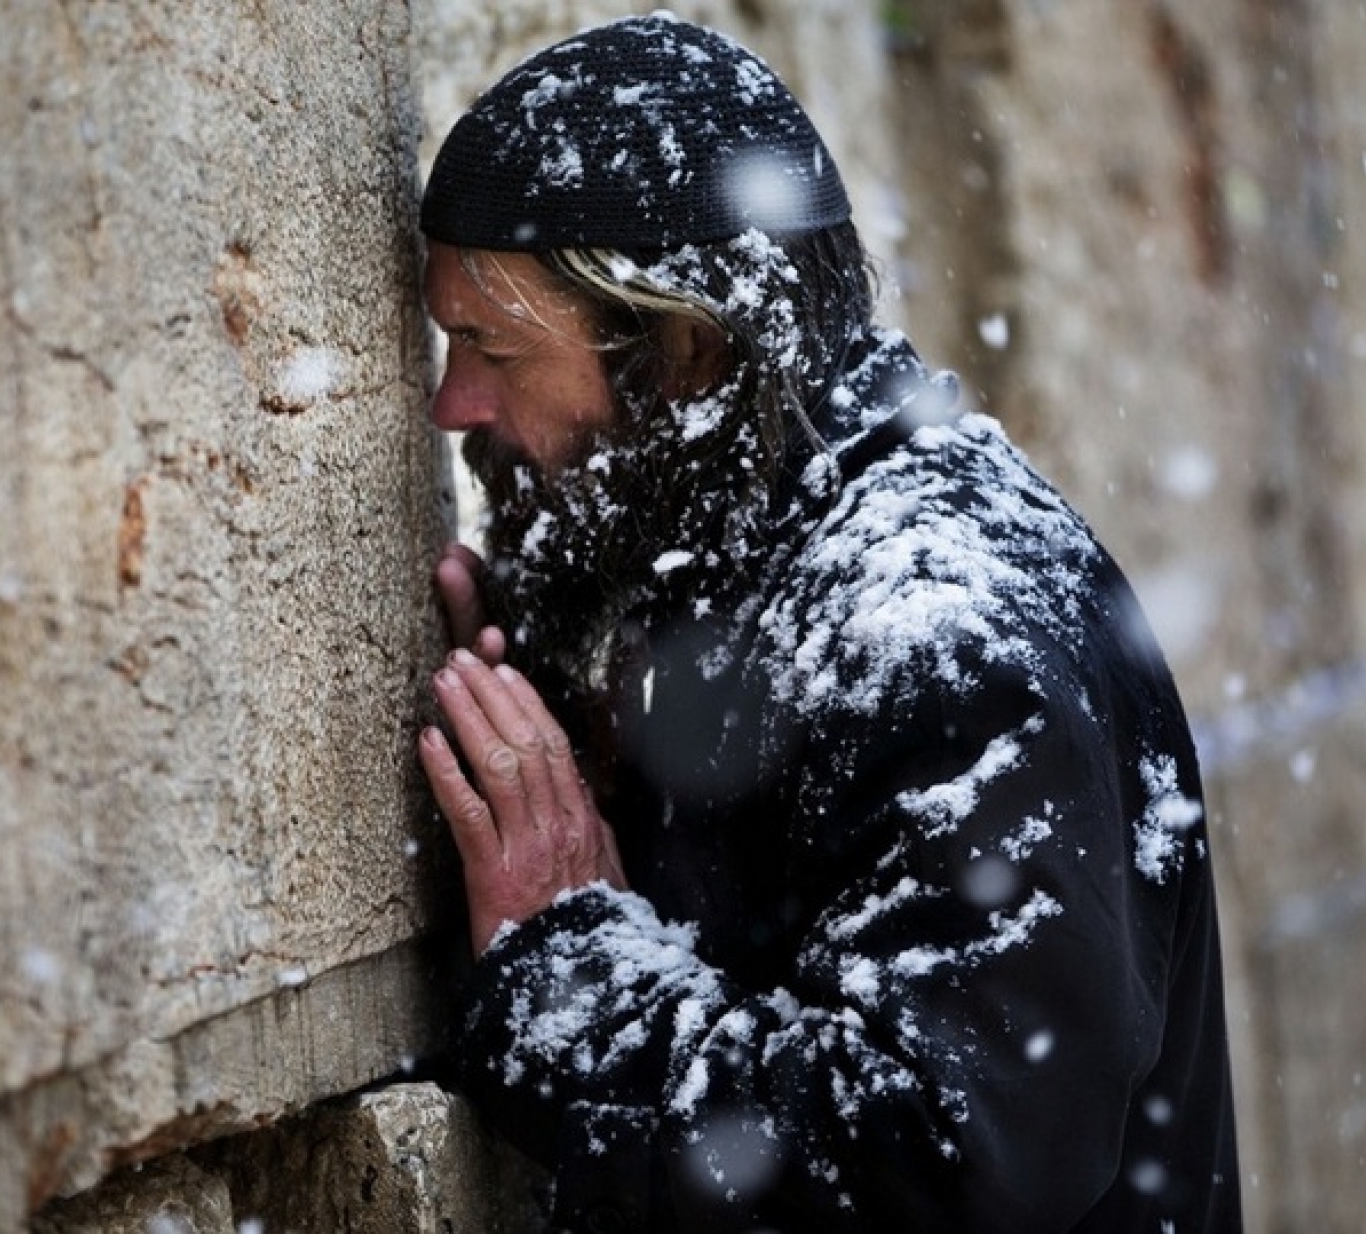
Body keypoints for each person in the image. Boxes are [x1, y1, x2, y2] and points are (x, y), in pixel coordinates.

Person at [414, 14, 1241, 1232]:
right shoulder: (772, 540)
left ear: (686, 347)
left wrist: (574, 964)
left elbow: (940, 1157)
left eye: (491, 345)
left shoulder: (943, 633)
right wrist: (589, 753)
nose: (452, 403)